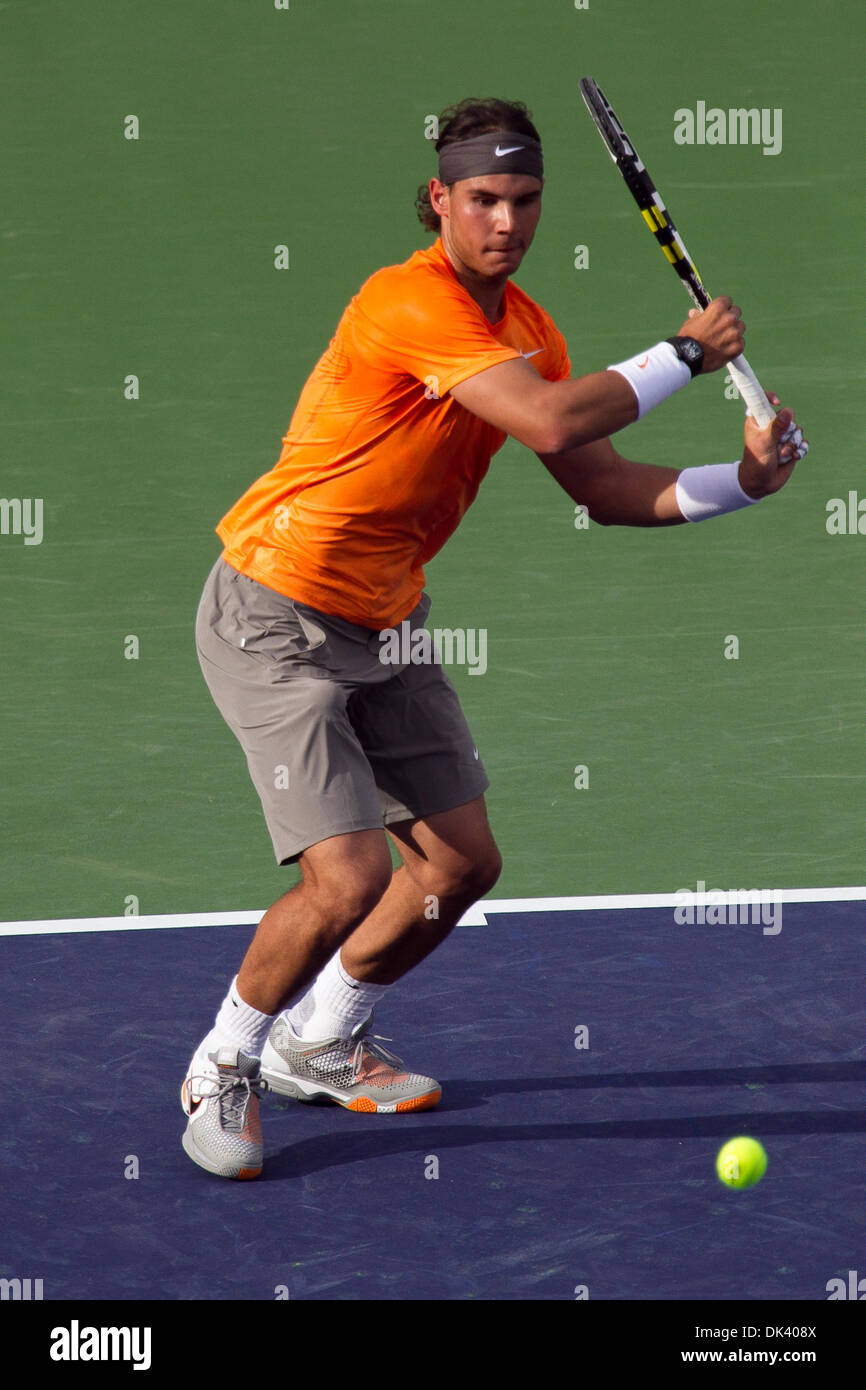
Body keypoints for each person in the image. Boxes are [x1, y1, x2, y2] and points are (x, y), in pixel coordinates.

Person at [181, 98, 806, 1179]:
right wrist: (682, 354)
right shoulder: (400, 302)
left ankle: (318, 1040)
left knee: (460, 863)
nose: (504, 222)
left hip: (384, 616)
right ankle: (221, 1061)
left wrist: (742, 486)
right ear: (439, 200)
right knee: (345, 876)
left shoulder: (529, 331)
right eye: (482, 199)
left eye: (522, 201)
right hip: (274, 609)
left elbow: (603, 487)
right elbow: (555, 422)